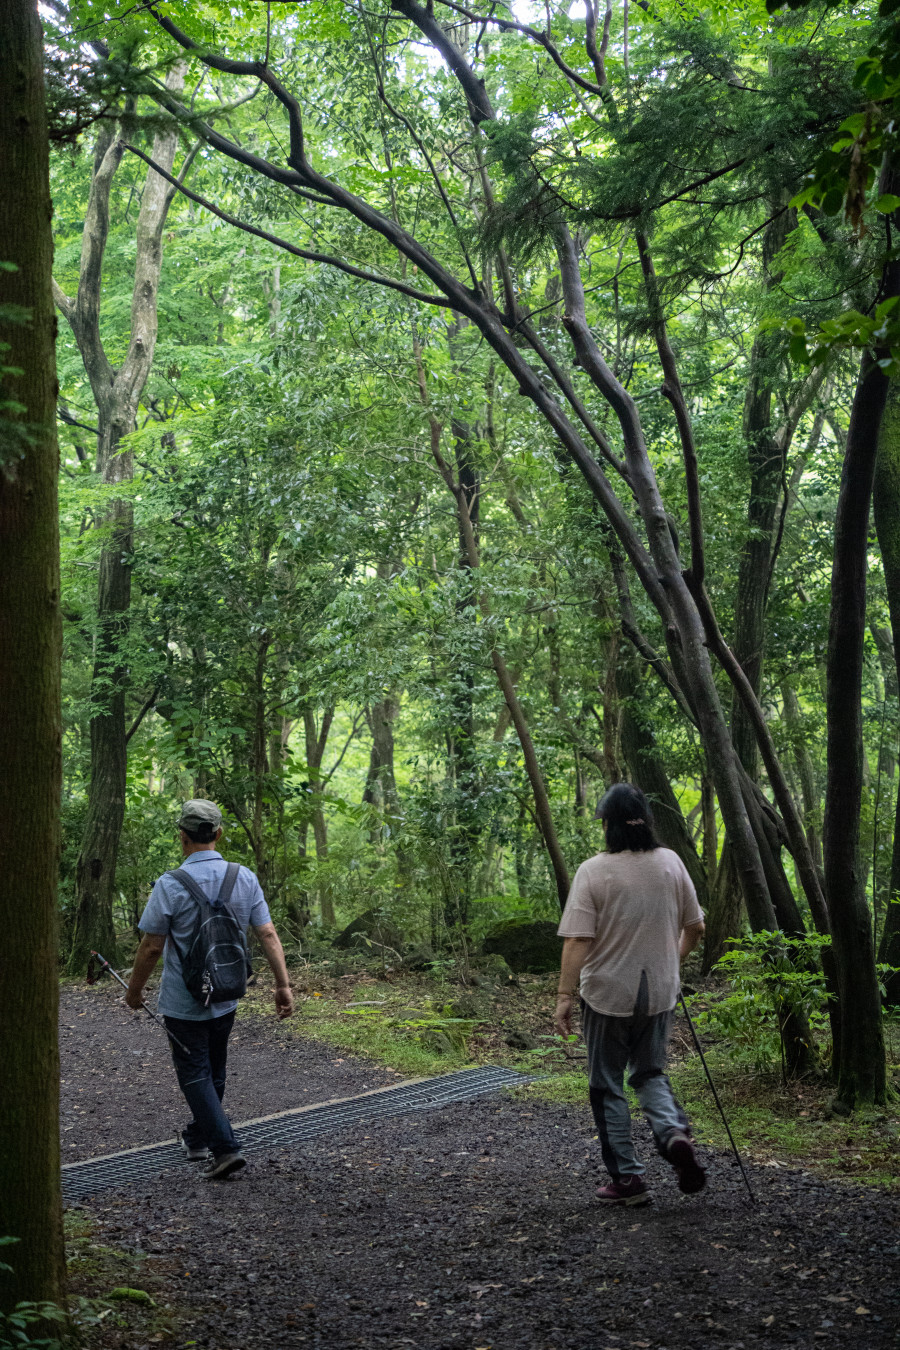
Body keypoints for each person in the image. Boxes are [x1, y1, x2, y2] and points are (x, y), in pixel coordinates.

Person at [125, 799, 294, 1180]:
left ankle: (224, 1148)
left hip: (183, 1000)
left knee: (195, 1072)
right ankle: (198, 1138)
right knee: (214, 1068)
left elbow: (152, 945)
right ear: (218, 834)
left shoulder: (170, 884)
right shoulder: (244, 877)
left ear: (181, 837)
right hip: (227, 993)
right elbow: (266, 932)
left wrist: (134, 992)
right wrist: (283, 986)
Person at [555, 783, 706, 1206]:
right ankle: (673, 1133)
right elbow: (696, 928)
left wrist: (564, 996)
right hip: (660, 992)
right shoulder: (671, 863)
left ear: (608, 825)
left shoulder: (593, 871)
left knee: (607, 1085)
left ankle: (628, 1180)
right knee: (649, 1073)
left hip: (607, 994)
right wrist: (671, 961)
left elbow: (577, 941)